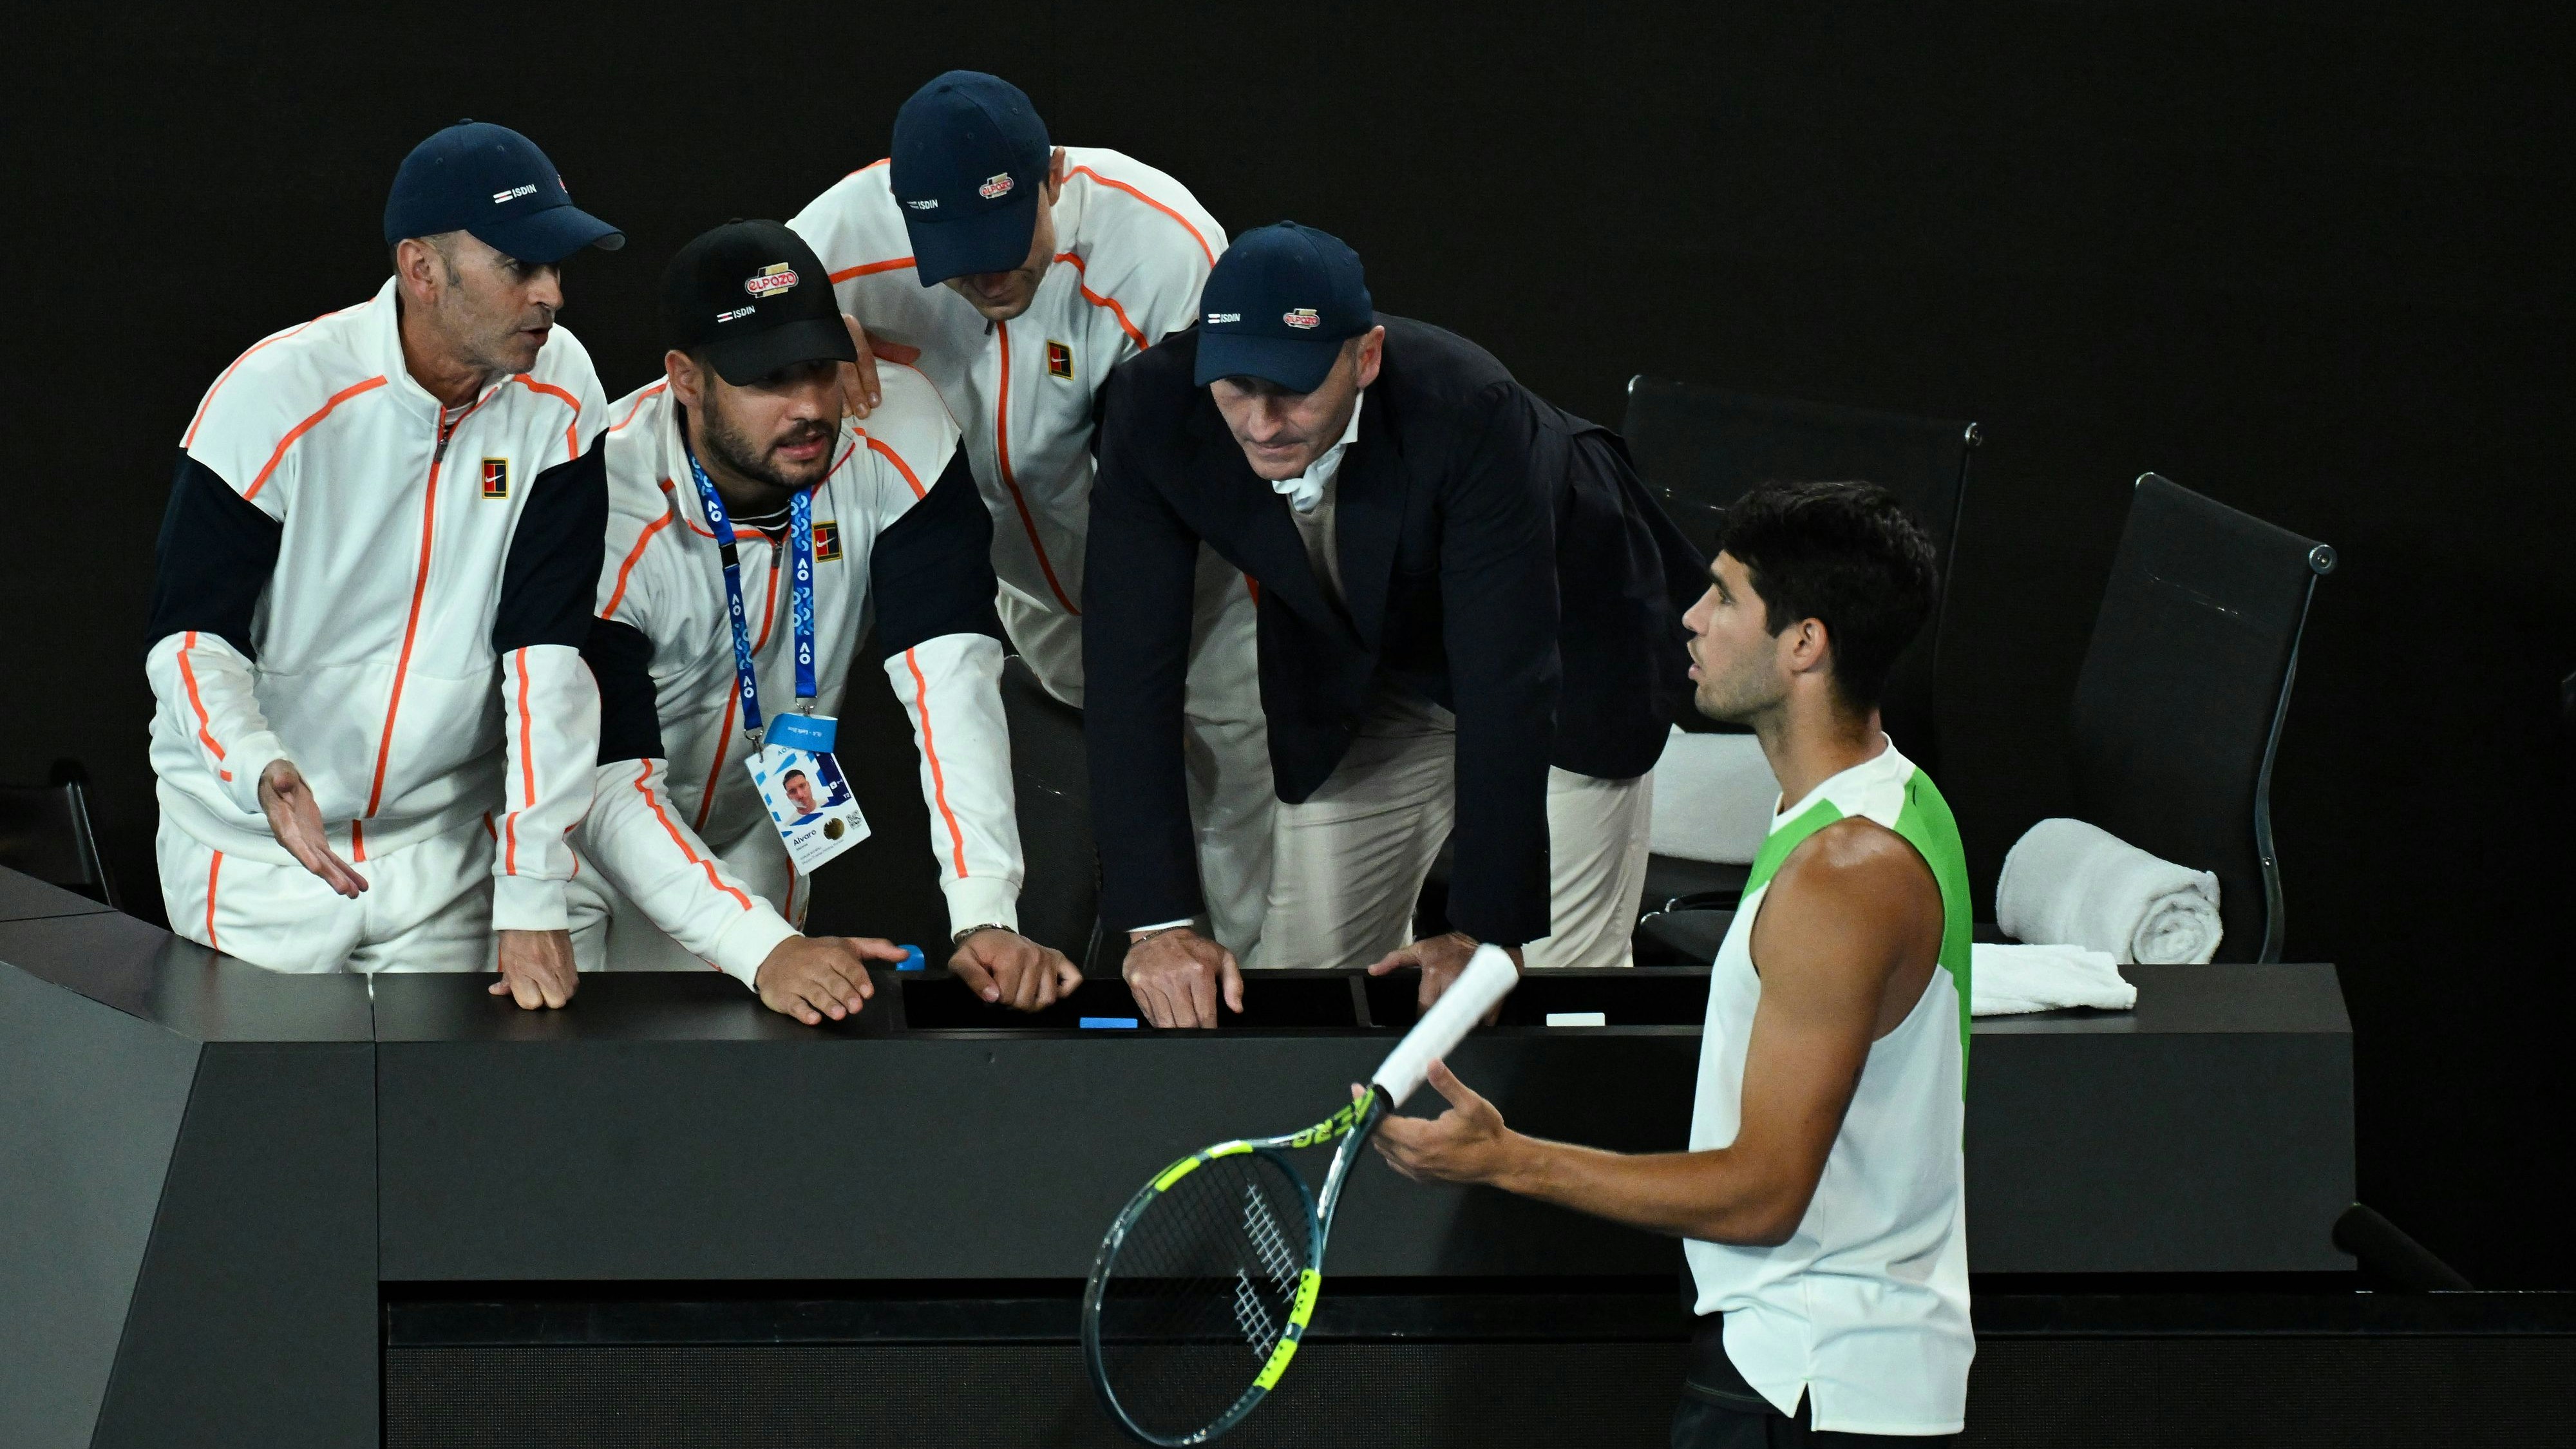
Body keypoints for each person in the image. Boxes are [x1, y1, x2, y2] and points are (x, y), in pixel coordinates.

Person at [1368, 482, 1972, 1444]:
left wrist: (1508, 1159)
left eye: (1725, 597)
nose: (1690, 617)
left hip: (1806, 1383)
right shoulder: (1891, 803)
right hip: (1828, 1371)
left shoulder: (1842, 875)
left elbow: (1765, 1193)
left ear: (1805, 644)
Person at [1086, 222, 1704, 1027]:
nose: (1264, 424)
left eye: (1296, 390)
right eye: (1237, 387)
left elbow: (1507, 674)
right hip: (1372, 673)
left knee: (1546, 990)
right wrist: (1159, 922)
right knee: (1304, 984)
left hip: (1569, 654)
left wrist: (1486, 928)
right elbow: (1129, 667)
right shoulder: (1153, 408)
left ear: (1365, 357)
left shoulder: (1470, 409)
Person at [787, 71, 1277, 962]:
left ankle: (1261, 1036)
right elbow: (732, 314)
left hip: (1201, 594)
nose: (985, 272)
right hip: (1029, 598)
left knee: (1248, 853)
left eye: (1007, 240)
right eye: (957, 250)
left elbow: (1203, 491)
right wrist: (794, 332)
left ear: (1054, 177)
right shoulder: (843, 237)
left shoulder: (1162, 245)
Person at [146, 121, 622, 1009]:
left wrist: (531, 886)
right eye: (523, 265)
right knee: (263, 1132)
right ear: (422, 269)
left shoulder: (564, 389)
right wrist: (254, 763)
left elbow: (548, 651)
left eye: (559, 267)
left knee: (450, 1133)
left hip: (442, 859)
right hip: (259, 855)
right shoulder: (277, 392)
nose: (552, 293)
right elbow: (188, 634)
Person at [573, 220, 1077, 1025]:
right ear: (685, 379)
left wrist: (985, 908)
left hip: (755, 834)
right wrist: (759, 946)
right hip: (572, 852)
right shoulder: (600, 501)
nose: (810, 406)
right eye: (768, 377)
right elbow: (601, 782)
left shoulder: (897, 436)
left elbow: (953, 682)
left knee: (720, 1119)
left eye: (818, 366)